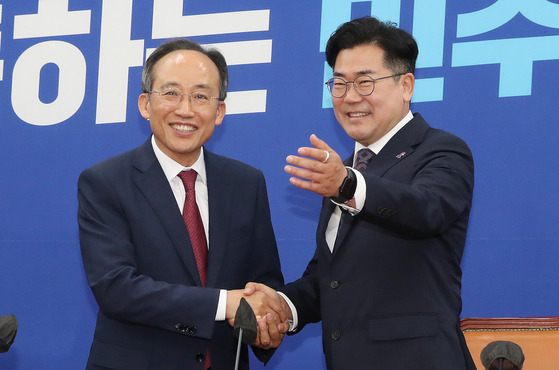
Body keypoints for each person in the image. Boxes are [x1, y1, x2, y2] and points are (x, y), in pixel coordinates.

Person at [245, 16, 476, 369]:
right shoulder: (349, 169)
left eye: (365, 82)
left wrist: (347, 184)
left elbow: (426, 209)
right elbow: (331, 278)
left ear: (406, 86)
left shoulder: (442, 150)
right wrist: (280, 307)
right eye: (339, 84)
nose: (350, 97)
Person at [78, 38, 286, 370]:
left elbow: (264, 281)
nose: (185, 110)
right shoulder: (105, 182)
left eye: (201, 96)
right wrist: (224, 303)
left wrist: (268, 322)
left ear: (219, 112)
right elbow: (116, 288)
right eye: (171, 93)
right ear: (145, 104)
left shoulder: (247, 183)